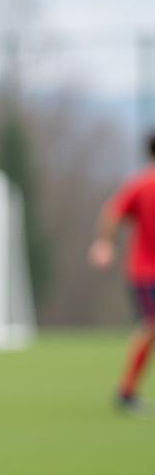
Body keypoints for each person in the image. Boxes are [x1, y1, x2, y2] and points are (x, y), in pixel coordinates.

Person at [89, 131, 155, 412]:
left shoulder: (139, 183)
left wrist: (104, 243)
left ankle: (126, 392)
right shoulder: (142, 184)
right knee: (151, 326)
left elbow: (111, 214)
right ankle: (125, 392)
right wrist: (103, 243)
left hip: (141, 272)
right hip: (147, 272)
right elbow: (113, 212)